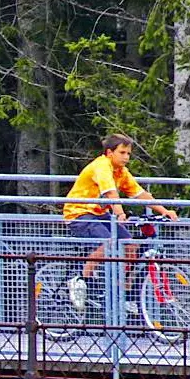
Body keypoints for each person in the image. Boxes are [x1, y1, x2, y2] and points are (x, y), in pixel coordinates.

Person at [60, 133, 177, 313]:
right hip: (79, 213)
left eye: (128, 154)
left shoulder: (121, 172)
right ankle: (81, 280)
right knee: (109, 243)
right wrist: (120, 213)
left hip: (99, 213)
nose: (126, 157)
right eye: (122, 152)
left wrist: (164, 211)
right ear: (109, 153)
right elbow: (110, 194)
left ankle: (121, 292)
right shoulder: (102, 166)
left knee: (129, 245)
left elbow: (140, 194)